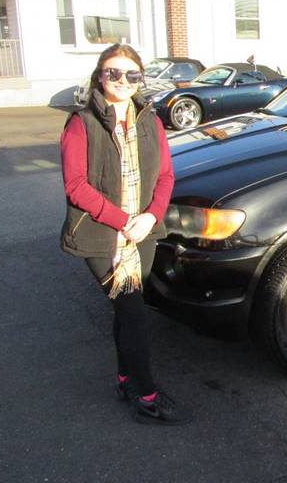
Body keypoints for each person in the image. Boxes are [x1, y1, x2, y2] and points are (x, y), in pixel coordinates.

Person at [60, 43, 191, 425]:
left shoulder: (149, 119)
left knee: (126, 310)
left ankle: (124, 379)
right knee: (134, 314)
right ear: (100, 76)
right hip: (103, 235)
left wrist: (151, 217)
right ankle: (147, 395)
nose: (122, 80)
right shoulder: (81, 122)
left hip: (144, 231)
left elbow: (166, 175)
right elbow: (76, 186)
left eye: (131, 74)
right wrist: (123, 221)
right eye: (113, 73)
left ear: (140, 78)